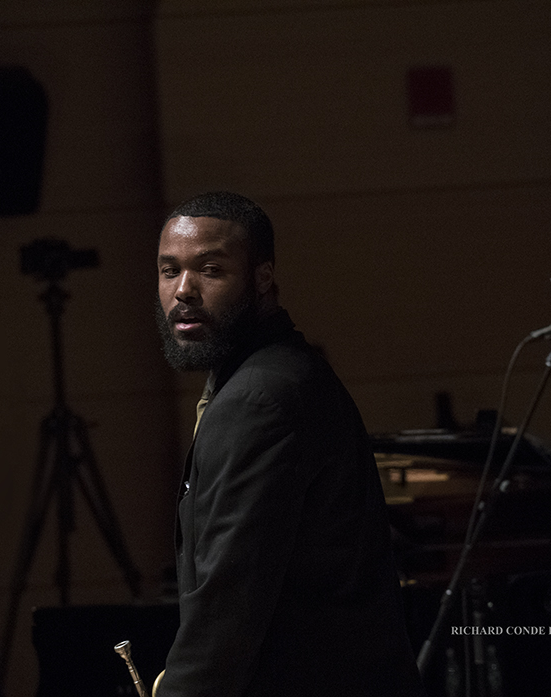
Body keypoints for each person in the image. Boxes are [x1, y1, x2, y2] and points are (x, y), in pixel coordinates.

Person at [153, 191, 426, 697]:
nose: (183, 290)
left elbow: (228, 602)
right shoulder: (273, 375)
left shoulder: (258, 399)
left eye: (210, 270)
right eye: (169, 271)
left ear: (262, 278)